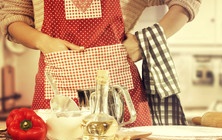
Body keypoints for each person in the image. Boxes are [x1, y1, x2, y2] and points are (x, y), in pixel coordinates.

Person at [0, 0, 201, 127]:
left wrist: (147, 40)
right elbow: (12, 14)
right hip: (57, 92)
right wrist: (43, 42)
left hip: (121, 95)